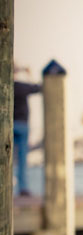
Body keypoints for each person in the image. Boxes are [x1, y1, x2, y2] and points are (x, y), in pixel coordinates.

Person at [13, 65, 42, 196]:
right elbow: (39, 87)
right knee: (22, 159)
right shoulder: (21, 86)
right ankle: (23, 188)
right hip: (22, 125)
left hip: (7, 126)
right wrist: (29, 74)